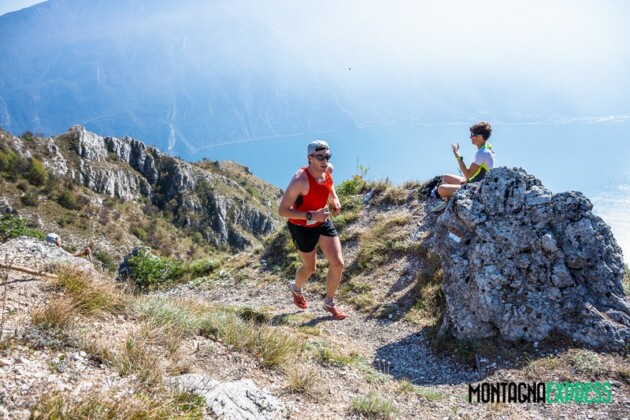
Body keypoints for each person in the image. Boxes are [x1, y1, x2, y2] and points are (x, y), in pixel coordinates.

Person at [278, 140, 347, 320]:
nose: (325, 161)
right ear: (310, 158)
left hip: (322, 221)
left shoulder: (327, 169)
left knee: (338, 263)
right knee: (310, 268)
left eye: (327, 156)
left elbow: (329, 182)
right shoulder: (300, 180)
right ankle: (296, 288)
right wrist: (311, 215)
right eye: (320, 157)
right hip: (302, 226)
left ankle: (329, 303)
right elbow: (282, 211)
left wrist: (334, 197)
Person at [429, 121, 495, 213]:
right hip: (475, 182)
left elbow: (468, 174)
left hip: (475, 189)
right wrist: (467, 180)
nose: (470, 137)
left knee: (441, 189)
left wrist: (458, 155)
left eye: (472, 135)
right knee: (445, 177)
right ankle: (448, 201)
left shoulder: (481, 153)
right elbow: (477, 172)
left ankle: (451, 201)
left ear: (479, 137)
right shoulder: (487, 147)